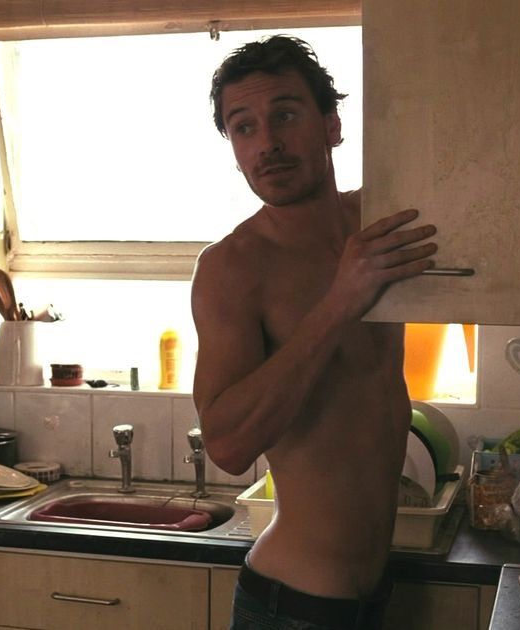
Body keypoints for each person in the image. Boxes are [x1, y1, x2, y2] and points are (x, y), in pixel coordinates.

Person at [191, 35, 437, 629]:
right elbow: (227, 446)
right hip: (293, 605)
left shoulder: (381, 225)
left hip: (370, 597)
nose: (267, 143)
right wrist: (339, 303)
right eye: (243, 127)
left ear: (331, 125)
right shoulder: (232, 268)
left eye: (285, 115)